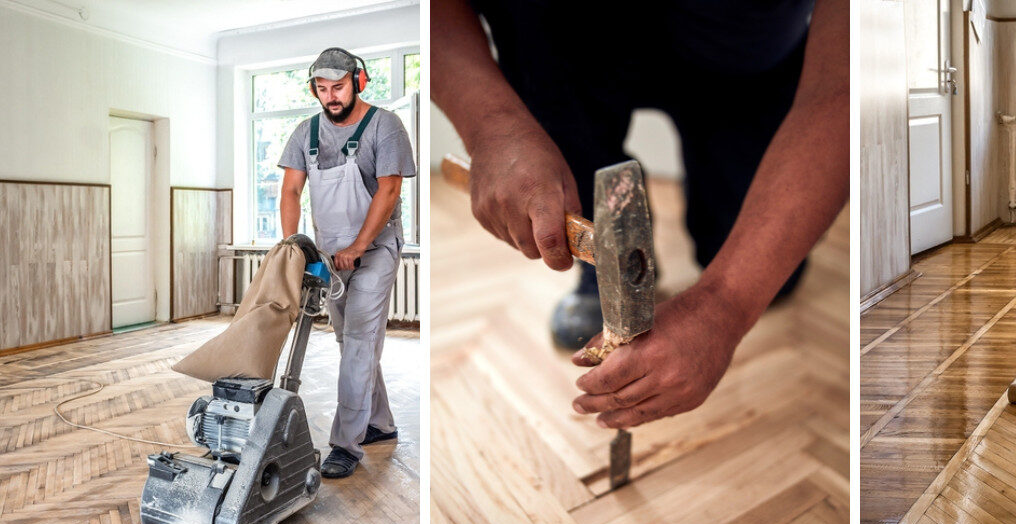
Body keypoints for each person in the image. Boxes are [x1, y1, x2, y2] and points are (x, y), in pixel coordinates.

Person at [431, 0, 849, 430]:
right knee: (541, 49)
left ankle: (706, 220)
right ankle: (608, 266)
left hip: (746, 60)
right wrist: (492, 126)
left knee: (771, 279)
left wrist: (726, 302)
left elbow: (845, 84)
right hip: (563, 53)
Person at [278, 47, 417, 478]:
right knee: (350, 342)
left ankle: (346, 445)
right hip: (329, 255)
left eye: (338, 87)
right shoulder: (306, 132)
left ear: (359, 81)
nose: (330, 96)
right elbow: (289, 193)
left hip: (374, 251)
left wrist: (358, 246)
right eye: (322, 89)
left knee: (358, 340)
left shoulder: (386, 126)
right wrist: (293, 247)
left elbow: (389, 192)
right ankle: (379, 424)